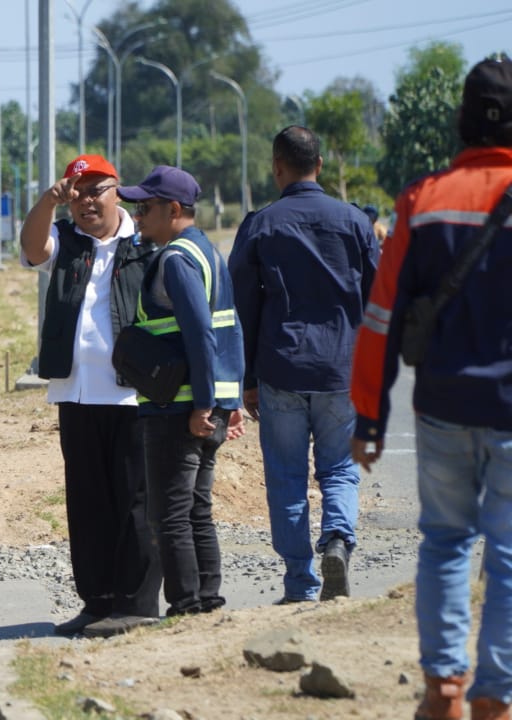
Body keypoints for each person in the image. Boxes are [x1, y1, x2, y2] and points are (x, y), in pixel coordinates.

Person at [350, 56, 512, 720]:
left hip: (441, 406)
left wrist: (369, 419)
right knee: (508, 553)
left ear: (460, 121)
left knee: (446, 540)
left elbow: (381, 318)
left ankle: (444, 684)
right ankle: (496, 697)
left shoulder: (421, 201)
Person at [228, 126, 380, 604]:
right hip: (342, 370)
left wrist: (246, 379)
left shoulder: (260, 225)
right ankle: (337, 537)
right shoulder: (355, 222)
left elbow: (240, 309)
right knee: (339, 470)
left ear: (278, 167)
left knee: (286, 477)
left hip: (281, 369)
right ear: (319, 164)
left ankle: (300, 583)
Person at [19, 154, 162, 638]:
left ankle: (138, 602)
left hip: (133, 396)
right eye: (77, 192)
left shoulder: (143, 242)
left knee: (135, 502)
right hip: (76, 394)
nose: (85, 202)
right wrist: (47, 200)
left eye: (95, 190)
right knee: (87, 503)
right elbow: (33, 250)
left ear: (116, 191)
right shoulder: (66, 238)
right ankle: (96, 602)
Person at [118, 165, 245, 617]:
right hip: (204, 403)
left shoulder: (175, 259)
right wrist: (230, 400)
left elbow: (200, 333)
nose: (137, 216)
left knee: (169, 515)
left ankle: (188, 606)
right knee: (196, 508)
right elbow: (231, 328)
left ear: (173, 209)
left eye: (145, 208)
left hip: (180, 406)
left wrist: (206, 403)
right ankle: (206, 599)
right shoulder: (206, 251)